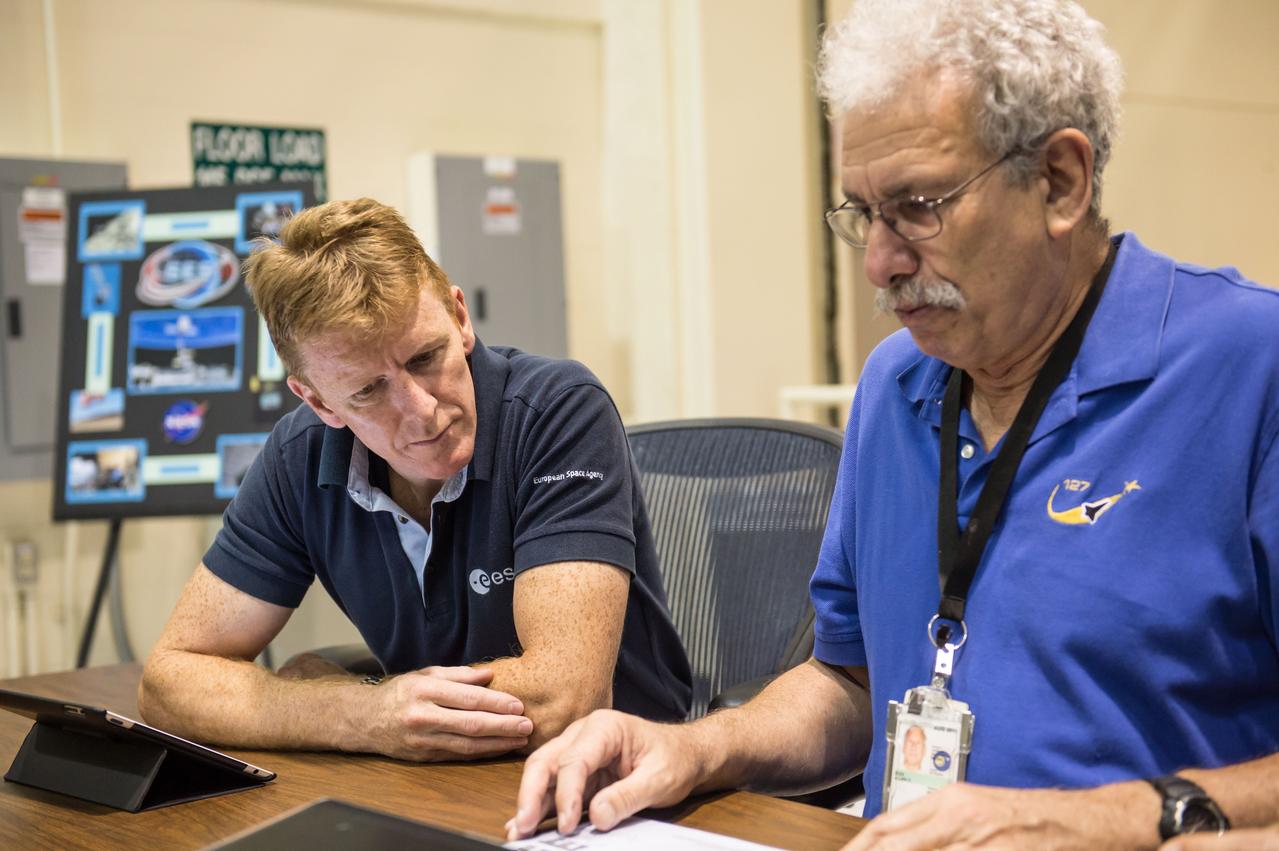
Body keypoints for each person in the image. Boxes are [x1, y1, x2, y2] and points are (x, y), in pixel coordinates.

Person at [507, 0, 1279, 846]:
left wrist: (1103, 819)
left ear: (1059, 181)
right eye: (864, 214)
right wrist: (696, 746)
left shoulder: (1251, 366)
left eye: (918, 206)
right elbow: (849, 680)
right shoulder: (895, 383)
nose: (879, 261)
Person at [138, 198, 692, 761]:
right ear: (316, 400)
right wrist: (360, 713)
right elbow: (170, 683)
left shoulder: (557, 410)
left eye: (426, 357)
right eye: (368, 391)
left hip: (623, 786)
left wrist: (355, 696)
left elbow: (563, 700)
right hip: (429, 785)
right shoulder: (297, 455)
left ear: (460, 318)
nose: (422, 409)